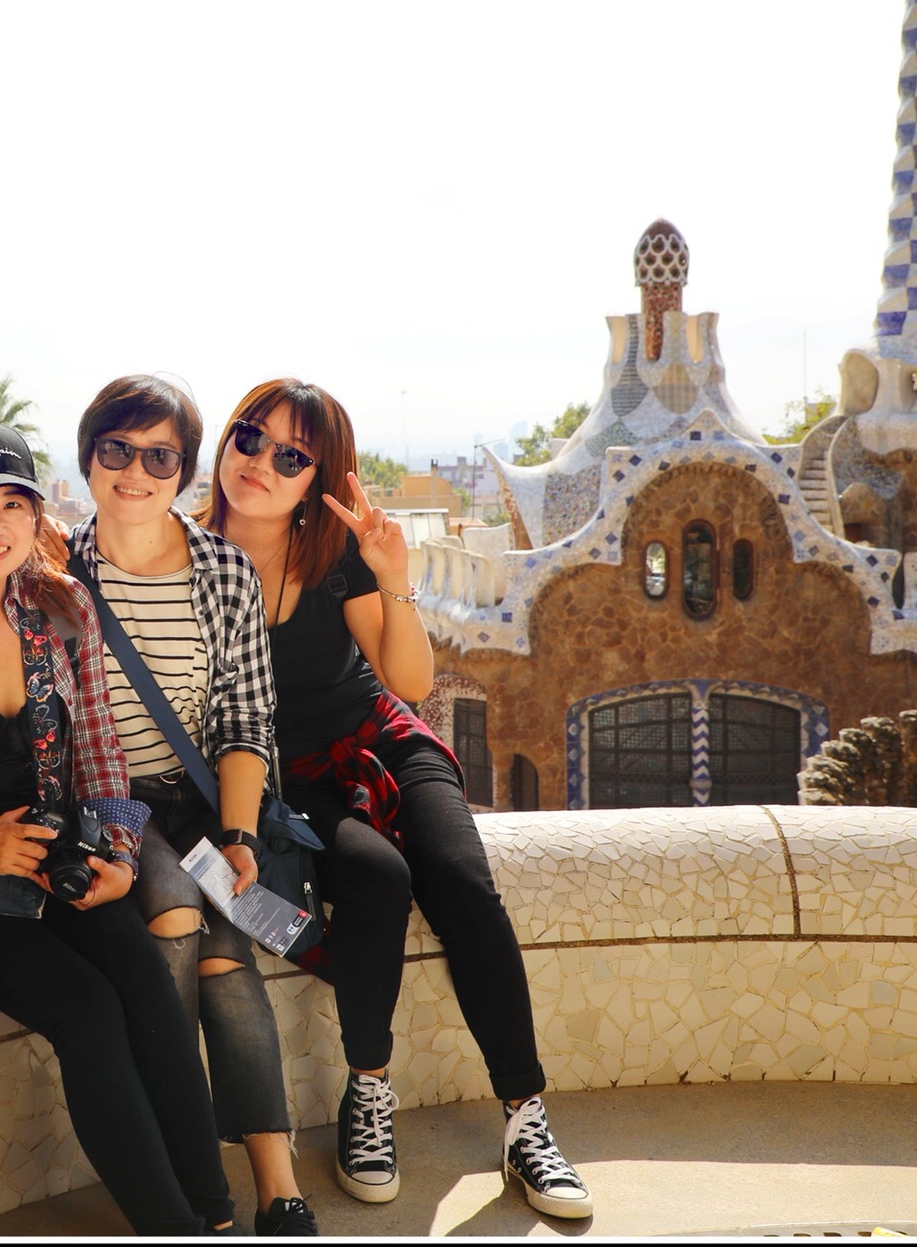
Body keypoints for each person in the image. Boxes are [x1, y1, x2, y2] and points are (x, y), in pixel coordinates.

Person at [199, 379, 594, 1221]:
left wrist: (393, 578)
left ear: (317, 479)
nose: (261, 463)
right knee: (376, 878)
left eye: (291, 456)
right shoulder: (185, 558)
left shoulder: (333, 556)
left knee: (462, 883)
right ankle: (369, 1090)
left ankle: (525, 1116)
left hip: (381, 740)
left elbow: (408, 681)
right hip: (287, 779)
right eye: (249, 437)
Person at [0, 421, 239, 1236]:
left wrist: (119, 855)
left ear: (36, 516)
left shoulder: (61, 609)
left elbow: (99, 749)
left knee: (144, 980)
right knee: (86, 1011)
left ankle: (212, 1216)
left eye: (12, 505)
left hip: (52, 850)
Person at [66, 375, 318, 1237]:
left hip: (201, 803)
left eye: (159, 457)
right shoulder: (54, 571)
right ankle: (190, 1173)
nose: (135, 473)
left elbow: (247, 721)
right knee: (178, 914)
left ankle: (272, 1184)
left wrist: (238, 834)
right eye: (117, 450)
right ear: (89, 455)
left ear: (184, 468)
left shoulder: (222, 571)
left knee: (224, 956)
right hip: (108, 802)